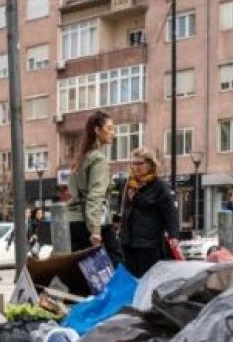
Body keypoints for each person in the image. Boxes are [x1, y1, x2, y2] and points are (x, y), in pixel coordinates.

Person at [119, 148, 179, 278]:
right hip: (128, 242)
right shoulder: (128, 185)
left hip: (149, 244)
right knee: (131, 279)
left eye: (140, 164)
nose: (136, 167)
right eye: (133, 164)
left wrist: (174, 235)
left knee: (149, 279)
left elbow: (170, 211)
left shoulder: (160, 186)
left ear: (150, 165)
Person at [67, 111, 115, 251]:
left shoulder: (80, 158)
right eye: (110, 128)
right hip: (94, 223)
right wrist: (95, 230)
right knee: (115, 267)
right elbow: (95, 196)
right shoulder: (98, 159)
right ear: (97, 130)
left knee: (79, 270)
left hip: (73, 222)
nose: (113, 133)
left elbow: (74, 192)